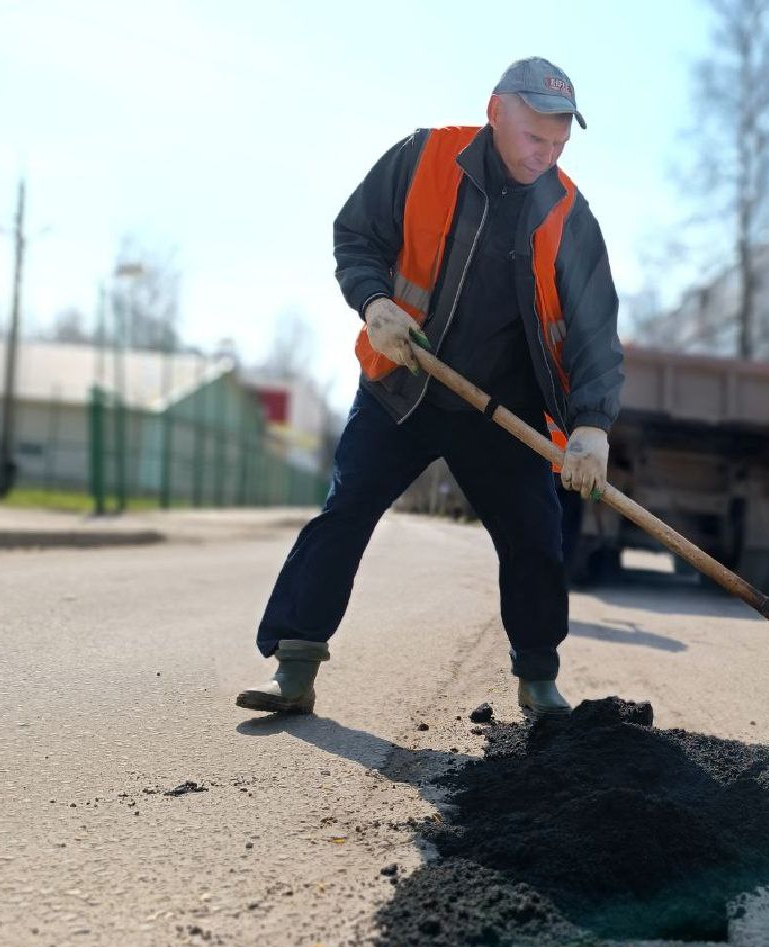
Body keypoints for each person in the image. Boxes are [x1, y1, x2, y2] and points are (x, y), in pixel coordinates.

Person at [237, 57, 623, 720]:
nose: (547, 155)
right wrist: (374, 303)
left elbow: (595, 333)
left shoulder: (568, 212)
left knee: (535, 538)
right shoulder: (424, 157)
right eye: (537, 138)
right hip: (406, 387)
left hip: (504, 413)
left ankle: (538, 681)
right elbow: (355, 235)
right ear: (496, 111)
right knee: (345, 512)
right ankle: (294, 667)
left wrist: (591, 424)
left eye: (560, 144)